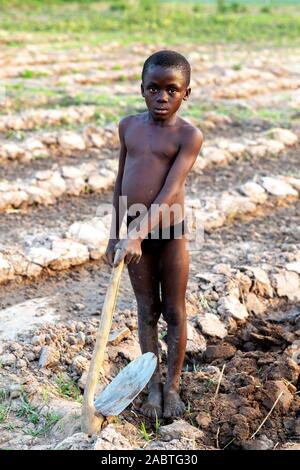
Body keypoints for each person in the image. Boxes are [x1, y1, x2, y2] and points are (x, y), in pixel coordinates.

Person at [105, 50, 203, 418]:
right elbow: (120, 180)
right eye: (154, 89)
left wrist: (137, 234)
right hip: (133, 234)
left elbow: (168, 190)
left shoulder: (189, 136)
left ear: (186, 93)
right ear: (142, 90)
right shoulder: (128, 126)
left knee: (174, 312)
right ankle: (153, 388)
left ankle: (174, 387)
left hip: (170, 231)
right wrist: (117, 234)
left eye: (171, 90)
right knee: (147, 311)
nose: (162, 97)